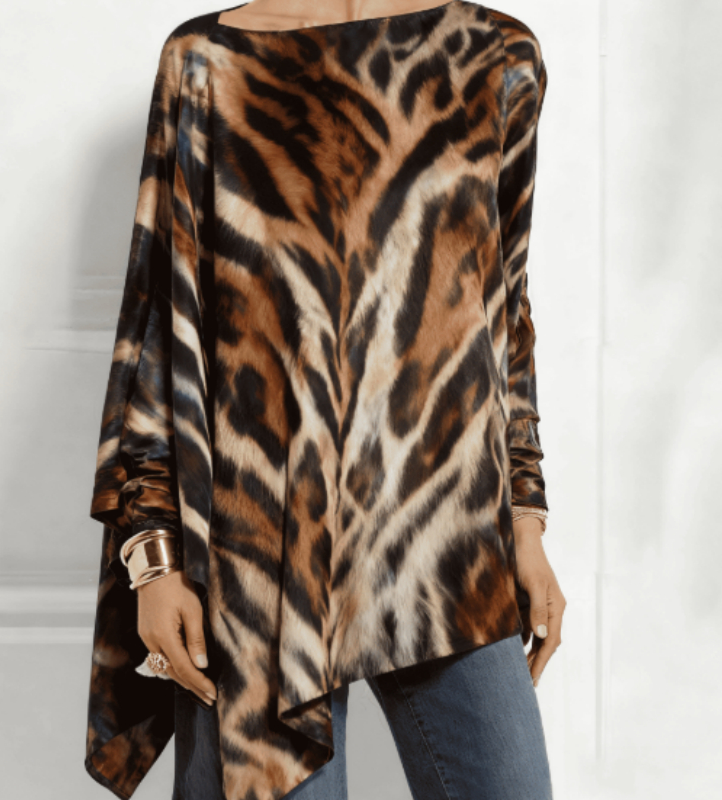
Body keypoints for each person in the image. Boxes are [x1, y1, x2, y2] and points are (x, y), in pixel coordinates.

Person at [85, 2, 568, 799]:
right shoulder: (206, 61)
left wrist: (524, 516)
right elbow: (159, 328)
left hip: (445, 537)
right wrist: (154, 557)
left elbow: (503, 311)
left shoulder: (498, 56)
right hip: (262, 550)